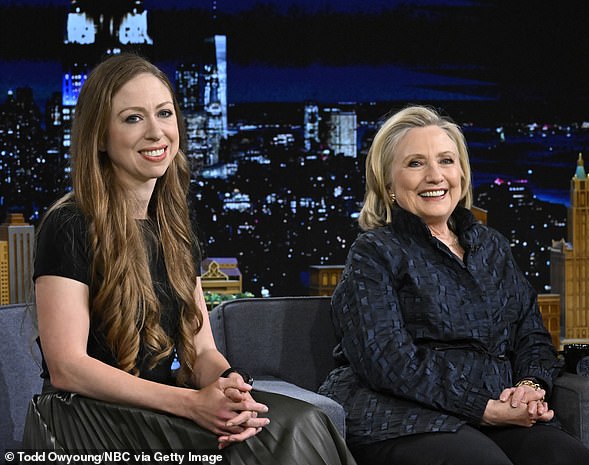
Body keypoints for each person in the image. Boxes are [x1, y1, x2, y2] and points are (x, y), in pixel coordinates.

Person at [24, 52, 355, 465]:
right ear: (100, 137)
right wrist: (191, 404)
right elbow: (67, 367)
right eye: (132, 118)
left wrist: (228, 387)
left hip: (162, 409)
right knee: (281, 436)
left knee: (302, 420)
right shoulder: (69, 224)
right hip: (83, 420)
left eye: (164, 113)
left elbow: (201, 350)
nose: (156, 131)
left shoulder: (173, 227)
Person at [318, 105, 589, 465]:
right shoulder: (374, 253)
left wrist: (530, 388)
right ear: (387, 183)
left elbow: (531, 336)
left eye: (446, 161)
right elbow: (386, 361)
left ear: (462, 174)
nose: (435, 176)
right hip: (403, 416)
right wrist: (482, 407)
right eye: (416, 163)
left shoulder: (492, 246)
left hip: (499, 410)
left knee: (568, 459)